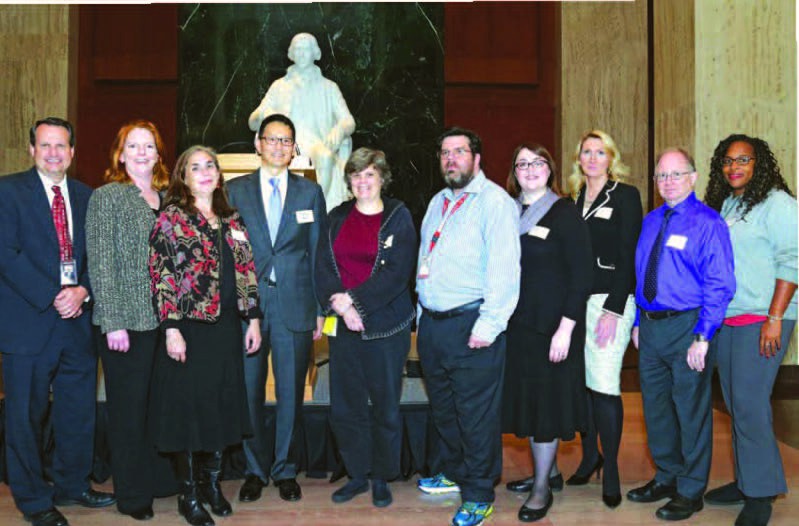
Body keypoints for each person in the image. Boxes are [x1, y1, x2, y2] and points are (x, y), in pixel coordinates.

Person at [0, 117, 115, 526]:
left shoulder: (88, 197)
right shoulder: (7, 191)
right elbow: (6, 254)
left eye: (61, 146)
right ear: (31, 150)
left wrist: (83, 290)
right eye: (45, 146)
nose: (53, 153)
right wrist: (53, 294)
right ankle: (32, 500)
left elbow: (98, 256)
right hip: (29, 322)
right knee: (25, 416)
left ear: (73, 152)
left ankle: (72, 484)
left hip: (77, 322)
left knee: (76, 410)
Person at [149, 145, 262, 526]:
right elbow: (162, 277)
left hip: (227, 328)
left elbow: (246, 272)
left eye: (210, 165)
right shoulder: (172, 219)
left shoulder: (232, 218)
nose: (205, 172)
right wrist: (172, 329)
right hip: (189, 331)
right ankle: (189, 495)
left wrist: (255, 320)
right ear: (182, 175)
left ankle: (212, 485)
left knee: (218, 409)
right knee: (189, 413)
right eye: (195, 167)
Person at [415, 127, 521, 526]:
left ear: (477, 158)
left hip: (472, 325)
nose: (451, 159)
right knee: (446, 412)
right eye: (444, 152)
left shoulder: (494, 202)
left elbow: (505, 270)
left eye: (459, 151)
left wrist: (489, 325)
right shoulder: (438, 202)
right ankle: (457, 471)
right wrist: (423, 314)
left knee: (476, 417)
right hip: (434, 327)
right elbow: (426, 260)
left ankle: (478, 493)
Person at [627, 148, 736, 522]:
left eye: (676, 174)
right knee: (656, 410)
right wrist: (639, 321)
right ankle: (667, 476)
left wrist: (704, 336)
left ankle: (690, 490)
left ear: (692, 178)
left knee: (690, 412)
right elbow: (643, 274)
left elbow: (720, 284)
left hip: (689, 327)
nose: (668, 181)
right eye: (661, 175)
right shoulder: (651, 220)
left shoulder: (708, 223)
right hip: (651, 327)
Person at [227, 113, 327, 504]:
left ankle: (285, 468)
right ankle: (254, 469)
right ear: (257, 143)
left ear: (294, 148)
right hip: (247, 309)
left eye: (287, 141)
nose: (279, 147)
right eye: (272, 139)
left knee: (290, 392)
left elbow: (318, 252)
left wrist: (321, 310)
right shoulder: (234, 191)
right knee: (249, 391)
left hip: (296, 306)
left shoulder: (309, 193)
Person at [314, 147, 417, 508]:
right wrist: (340, 305)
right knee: (347, 407)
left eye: (370, 174)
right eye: (356, 175)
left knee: (386, 405)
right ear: (349, 181)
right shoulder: (336, 216)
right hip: (343, 325)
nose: (362, 181)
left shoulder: (398, 216)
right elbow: (322, 266)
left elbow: (397, 274)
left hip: (387, 327)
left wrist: (355, 302)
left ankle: (382, 476)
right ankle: (357, 473)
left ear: (382, 178)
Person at [703, 135, 797, 526]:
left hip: (764, 318)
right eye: (727, 161)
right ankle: (749, 480)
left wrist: (774, 317)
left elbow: (792, 263)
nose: (734, 167)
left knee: (750, 404)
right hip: (729, 319)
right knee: (735, 402)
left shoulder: (779, 204)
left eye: (743, 160)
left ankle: (760, 494)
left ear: (760, 164)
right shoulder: (730, 203)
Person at [86, 120, 176, 521]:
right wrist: (113, 321)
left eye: (149, 146)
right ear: (120, 154)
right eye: (133, 146)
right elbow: (101, 262)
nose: (142, 152)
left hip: (164, 323)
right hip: (127, 323)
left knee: (156, 407)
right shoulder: (108, 197)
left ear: (159, 154)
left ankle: (156, 477)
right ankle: (132, 493)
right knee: (127, 411)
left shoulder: (168, 198)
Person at [501, 143, 593, 522]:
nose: (529, 169)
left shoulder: (565, 213)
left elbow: (582, 274)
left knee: (546, 409)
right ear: (514, 172)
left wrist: (566, 329)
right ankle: (549, 472)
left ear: (550, 169)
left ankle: (541, 489)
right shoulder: (507, 212)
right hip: (517, 327)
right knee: (529, 403)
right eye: (522, 163)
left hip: (552, 329)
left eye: (537, 162)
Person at [564, 130, 642, 507]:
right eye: (586, 152)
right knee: (582, 384)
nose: (593, 158)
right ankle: (589, 456)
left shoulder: (626, 196)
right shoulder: (571, 200)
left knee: (606, 382)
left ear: (611, 159)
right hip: (574, 303)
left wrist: (613, 309)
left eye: (600, 152)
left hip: (611, 301)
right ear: (579, 159)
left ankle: (611, 467)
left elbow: (630, 256)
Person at [248, 32, 356, 211]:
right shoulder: (279, 87)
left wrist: (340, 129)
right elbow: (253, 122)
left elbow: (348, 121)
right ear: (291, 54)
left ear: (316, 53)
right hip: (285, 145)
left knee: (325, 156)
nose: (302, 53)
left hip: (315, 144)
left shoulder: (329, 88)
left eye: (306, 49)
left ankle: (318, 209)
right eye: (297, 49)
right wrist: (261, 116)